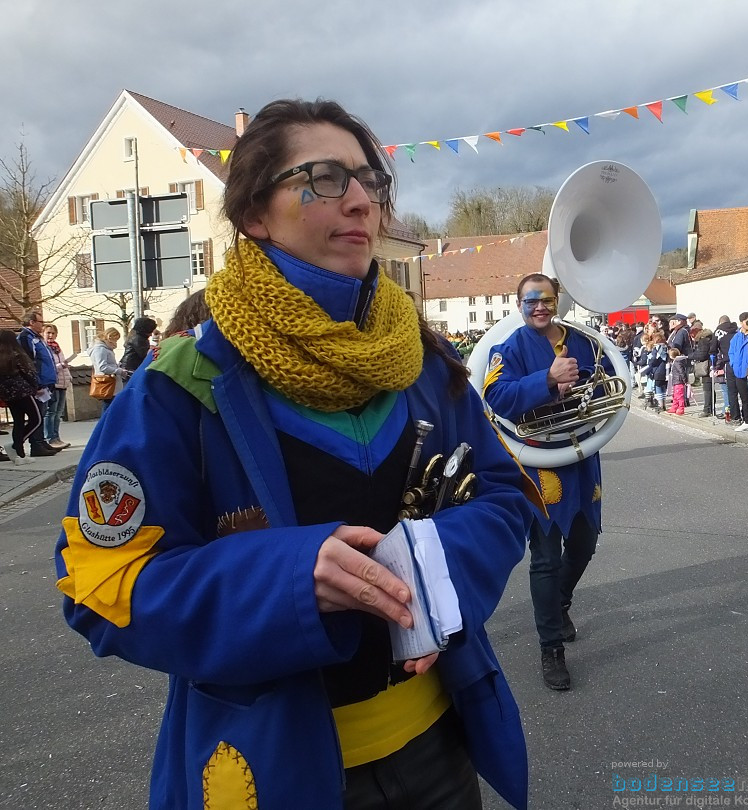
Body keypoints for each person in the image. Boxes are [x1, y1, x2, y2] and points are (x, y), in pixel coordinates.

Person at [55, 98, 533, 810]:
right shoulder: (178, 389)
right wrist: (285, 582)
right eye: (325, 179)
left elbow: (505, 496)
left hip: (439, 752)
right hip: (268, 773)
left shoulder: (424, 363)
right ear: (253, 214)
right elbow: (101, 582)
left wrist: (432, 568)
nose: (364, 201)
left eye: (370, 180)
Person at [484, 273, 608, 691]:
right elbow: (496, 396)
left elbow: (609, 383)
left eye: (546, 299)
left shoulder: (584, 340)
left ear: (557, 301)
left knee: (585, 545)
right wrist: (548, 380)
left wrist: (589, 383)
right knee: (545, 558)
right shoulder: (510, 348)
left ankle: (560, 603)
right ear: (518, 304)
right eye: (530, 300)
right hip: (540, 466)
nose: (539, 306)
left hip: (582, 457)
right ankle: (550, 647)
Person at [16, 311, 58, 456]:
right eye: (40, 322)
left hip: (46, 381)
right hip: (38, 383)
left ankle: (40, 441)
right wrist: (36, 383)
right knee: (38, 414)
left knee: (42, 412)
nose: (42, 325)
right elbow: (29, 362)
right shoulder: (26, 337)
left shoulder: (37, 337)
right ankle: (35, 444)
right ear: (31, 322)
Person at [0, 330, 40, 463]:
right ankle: (16, 445)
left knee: (18, 421)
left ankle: (20, 455)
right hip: (23, 391)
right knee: (36, 419)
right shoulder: (17, 354)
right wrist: (36, 386)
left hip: (8, 393)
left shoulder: (2, 356)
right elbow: (28, 372)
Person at [43, 323, 75, 449]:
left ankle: (56, 437)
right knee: (51, 412)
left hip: (62, 382)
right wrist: (62, 365)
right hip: (53, 383)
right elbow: (48, 368)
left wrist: (68, 373)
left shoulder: (57, 347)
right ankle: (50, 438)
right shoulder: (45, 348)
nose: (51, 335)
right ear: (43, 334)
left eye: (53, 333)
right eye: (48, 333)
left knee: (58, 413)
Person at [88, 328, 127, 413]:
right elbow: (102, 367)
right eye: (115, 339)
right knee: (108, 409)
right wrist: (118, 371)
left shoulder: (105, 348)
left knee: (110, 409)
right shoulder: (100, 349)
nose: (116, 342)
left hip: (112, 383)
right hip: (108, 383)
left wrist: (117, 367)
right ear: (110, 338)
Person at [728, 311, 748, 431]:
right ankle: (747, 421)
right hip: (738, 370)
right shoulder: (736, 336)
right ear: (741, 322)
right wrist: (734, 364)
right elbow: (731, 352)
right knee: (744, 398)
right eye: (746, 321)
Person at [667, 347, 688, 415]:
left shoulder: (677, 362)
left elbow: (681, 372)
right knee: (675, 395)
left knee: (679, 396)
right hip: (675, 381)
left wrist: (685, 380)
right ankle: (674, 407)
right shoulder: (675, 361)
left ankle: (681, 408)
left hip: (679, 381)